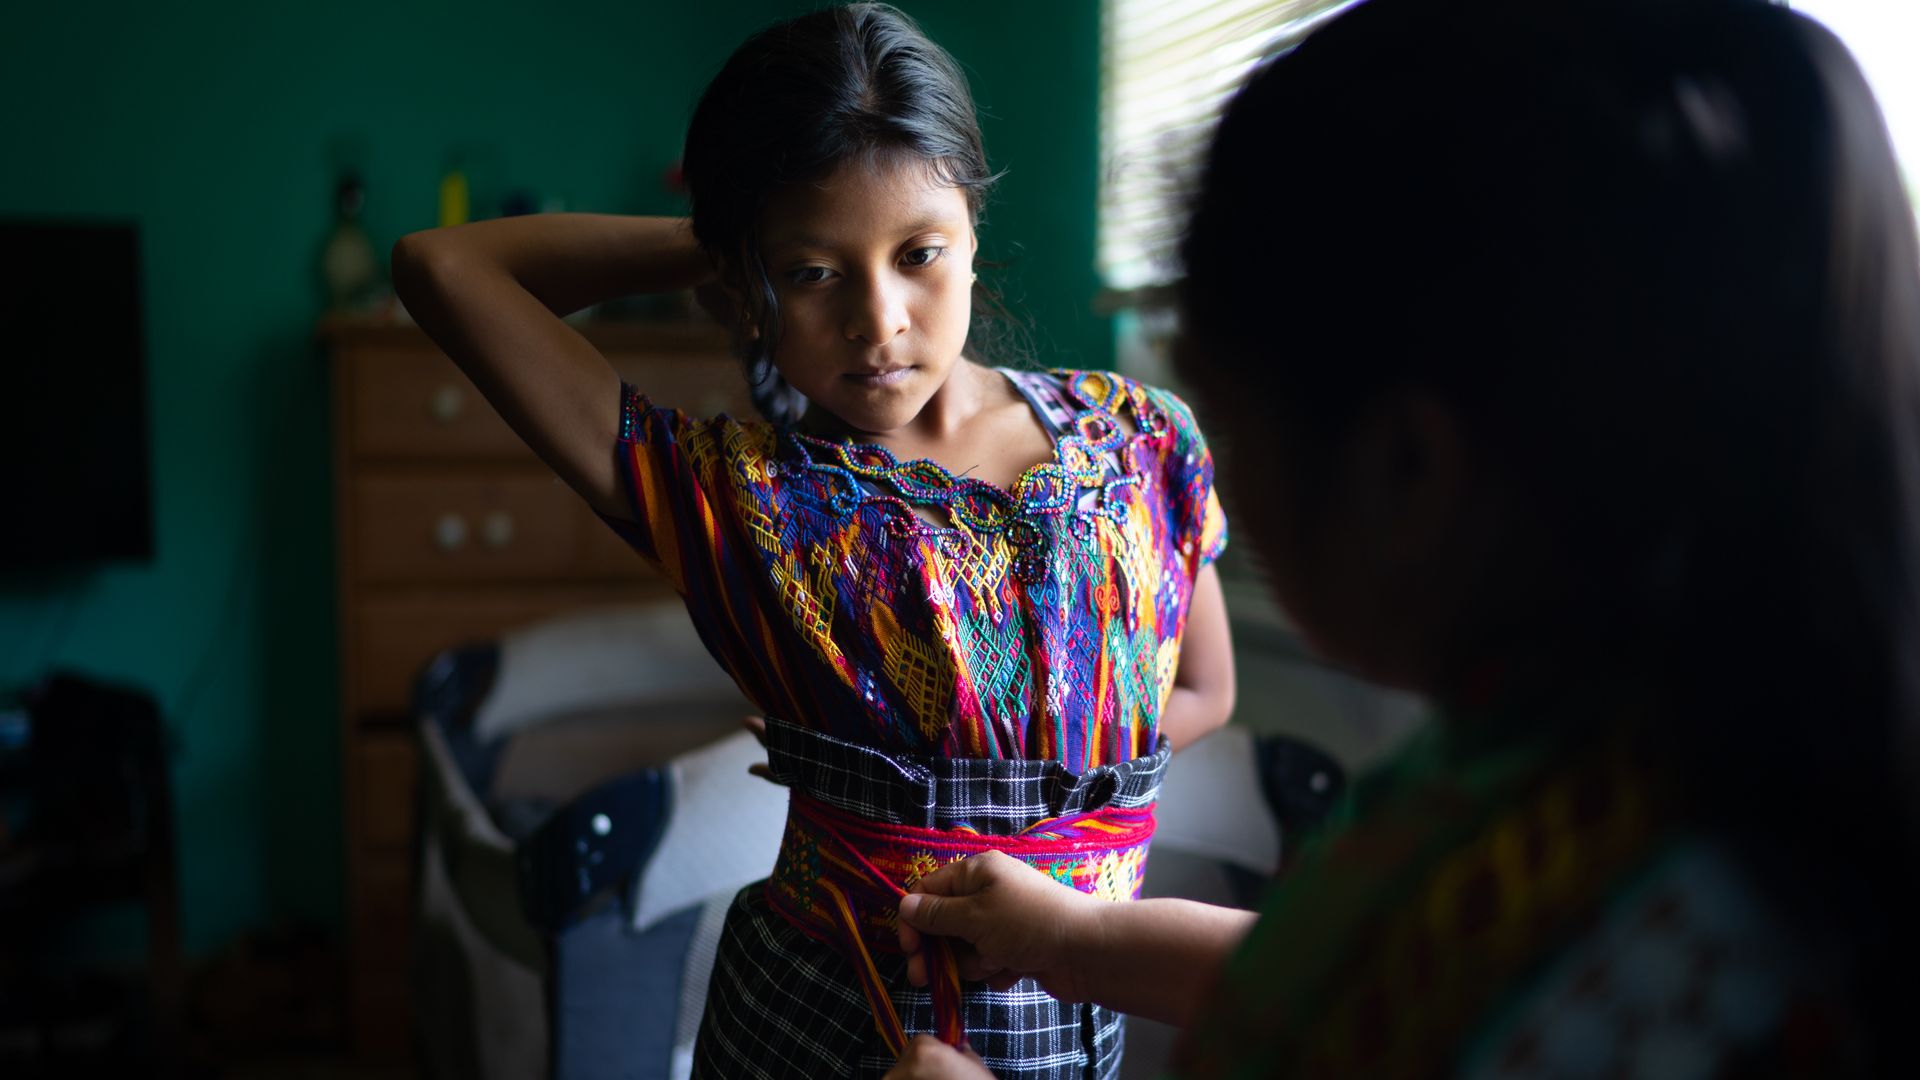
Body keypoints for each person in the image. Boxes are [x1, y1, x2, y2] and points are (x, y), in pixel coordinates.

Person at [881, 0, 1920, 1075]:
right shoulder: (1693, 754)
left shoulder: (1587, 934)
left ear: (1407, 468)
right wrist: (1074, 936)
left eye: (1236, 420)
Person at [390, 4, 1236, 1076]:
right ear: (750, 291)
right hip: (821, 1023)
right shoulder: (739, 501)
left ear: (975, 231)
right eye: (813, 272)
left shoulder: (1141, 440)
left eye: (919, 253)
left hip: (1076, 1012)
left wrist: (1039, 841)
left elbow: (1202, 693)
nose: (878, 320)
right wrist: (726, 239)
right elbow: (442, 268)